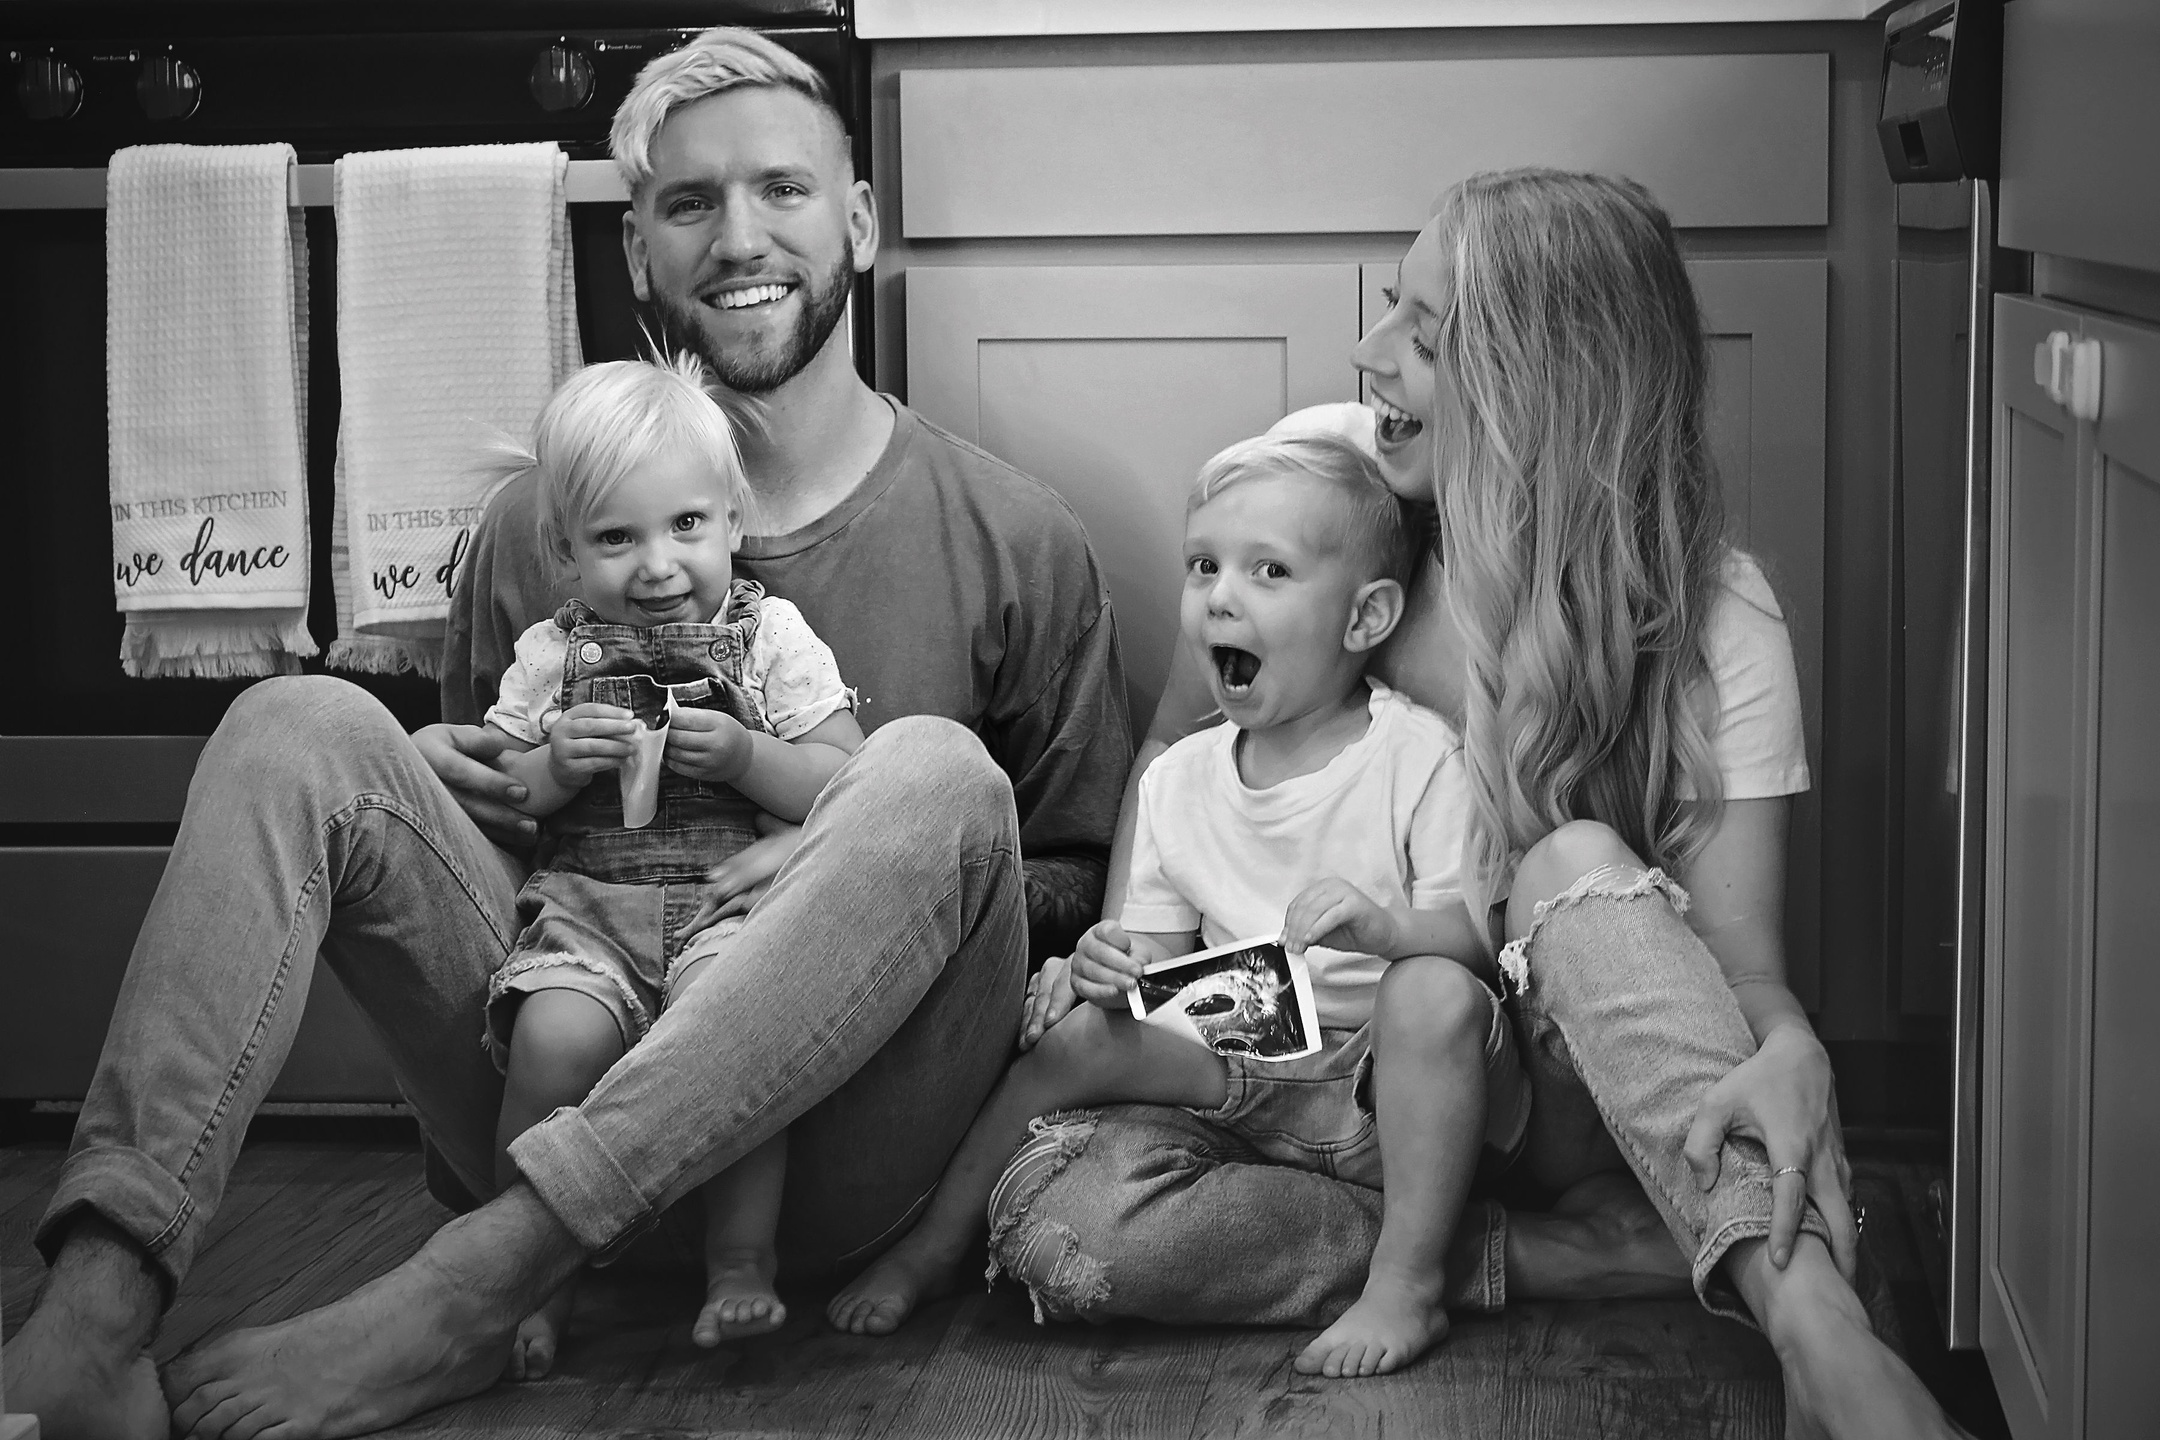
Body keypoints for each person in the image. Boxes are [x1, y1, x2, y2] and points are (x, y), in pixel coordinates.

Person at [4, 27, 1129, 1440]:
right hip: (553, 1071)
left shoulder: (1015, 536)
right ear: (640, 252)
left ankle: (473, 1287)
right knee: (296, 718)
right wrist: (442, 783)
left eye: (782, 190)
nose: (739, 238)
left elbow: (1077, 883)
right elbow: (506, 872)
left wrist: (845, 871)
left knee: (931, 770)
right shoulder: (533, 533)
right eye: (689, 203)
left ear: (856, 221)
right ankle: (95, 1316)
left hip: (832, 1174)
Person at [988, 170, 1971, 1439]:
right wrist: (1130, 954)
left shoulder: (1715, 617)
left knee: (1567, 856)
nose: (1369, 351)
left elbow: (1740, 975)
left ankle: (1817, 1330)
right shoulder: (1341, 492)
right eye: (1392, 307)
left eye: (1425, 332)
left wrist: (1790, 1046)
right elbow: (1187, 748)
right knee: (1061, 1222)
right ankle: (1554, 1256)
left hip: (1553, 1095)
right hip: (1309, 1071)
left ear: (1539, 389)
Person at [827, 433, 1531, 1381]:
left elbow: (1482, 941)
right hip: (1252, 1045)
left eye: (1268, 571)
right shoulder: (1179, 780)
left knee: (1434, 993)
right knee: (1082, 1041)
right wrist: (1107, 966)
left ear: (1365, 616)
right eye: (1204, 566)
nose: (1220, 596)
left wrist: (1390, 930)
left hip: (1390, 1075)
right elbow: (1154, 964)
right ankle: (933, 1245)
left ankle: (1407, 1281)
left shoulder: (1416, 757)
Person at [473, 356, 868, 1373]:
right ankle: (531, 1279)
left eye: (686, 525)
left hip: (728, 911)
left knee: (735, 1034)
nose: (657, 566)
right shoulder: (552, 655)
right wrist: (554, 765)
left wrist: (746, 757)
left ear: (734, 521)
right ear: (565, 550)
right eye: (617, 538)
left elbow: (851, 778)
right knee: (553, 1041)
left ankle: (738, 1264)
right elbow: (501, 792)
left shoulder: (768, 637)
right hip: (588, 912)